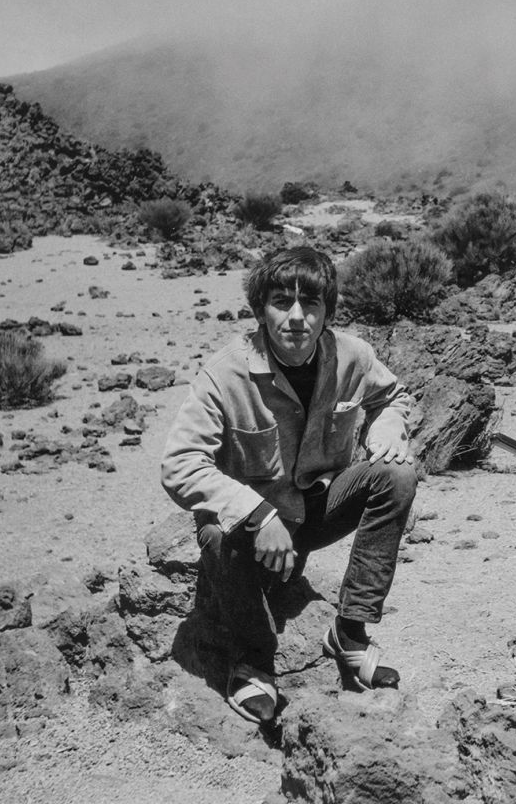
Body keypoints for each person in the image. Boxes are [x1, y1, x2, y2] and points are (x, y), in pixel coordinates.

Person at [161, 246, 417, 724]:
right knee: (215, 532)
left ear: (327, 313)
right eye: (282, 302)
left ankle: (350, 631)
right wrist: (258, 514)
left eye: (311, 304)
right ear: (261, 311)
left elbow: (394, 396)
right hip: (250, 532)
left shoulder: (353, 356)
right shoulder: (224, 374)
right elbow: (180, 464)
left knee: (397, 475)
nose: (297, 317)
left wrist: (387, 424)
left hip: (317, 510)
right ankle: (253, 659)